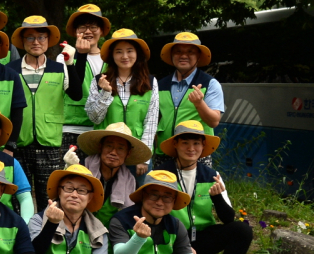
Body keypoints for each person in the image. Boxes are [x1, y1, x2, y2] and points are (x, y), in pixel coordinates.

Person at [157, 122, 251, 254]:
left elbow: (228, 219)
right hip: (171, 240)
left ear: (203, 146)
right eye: (185, 143)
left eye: (196, 144)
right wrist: (181, 245)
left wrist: (217, 198)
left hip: (200, 239)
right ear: (175, 144)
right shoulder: (161, 174)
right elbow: (153, 216)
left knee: (242, 230)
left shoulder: (211, 175)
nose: (191, 149)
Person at [9, 16, 84, 210]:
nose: (36, 42)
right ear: (23, 42)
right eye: (30, 38)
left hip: (50, 143)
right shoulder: (10, 70)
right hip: (18, 142)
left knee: (49, 198)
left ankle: (47, 236)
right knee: (18, 197)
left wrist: (71, 63)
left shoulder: (59, 68)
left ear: (48, 41)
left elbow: (76, 94)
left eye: (41, 37)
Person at [85, 28, 159, 174]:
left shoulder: (150, 82)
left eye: (130, 51)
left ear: (137, 53)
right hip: (107, 155)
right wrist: (105, 93)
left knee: (136, 196)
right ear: (112, 55)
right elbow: (94, 117)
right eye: (118, 51)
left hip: (136, 153)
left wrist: (144, 158)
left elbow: (151, 121)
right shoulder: (99, 80)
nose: (125, 56)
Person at [154, 32, 224, 168]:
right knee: (163, 189)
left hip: (196, 155)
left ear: (198, 56)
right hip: (164, 154)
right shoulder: (160, 85)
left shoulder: (210, 84)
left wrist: (199, 104)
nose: (183, 56)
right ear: (172, 56)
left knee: (196, 189)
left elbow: (214, 121)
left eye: (190, 52)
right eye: (178, 51)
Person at [67, 122, 151, 226]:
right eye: (109, 146)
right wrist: (68, 168)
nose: (113, 152)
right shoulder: (83, 167)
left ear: (128, 153)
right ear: (100, 147)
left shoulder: (130, 181)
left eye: (120, 148)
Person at [59, 4, 111, 152]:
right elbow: (73, 92)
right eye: (82, 27)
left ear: (101, 30)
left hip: (104, 130)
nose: (88, 31)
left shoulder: (112, 61)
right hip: (71, 128)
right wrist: (80, 54)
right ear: (76, 31)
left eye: (93, 27)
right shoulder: (64, 57)